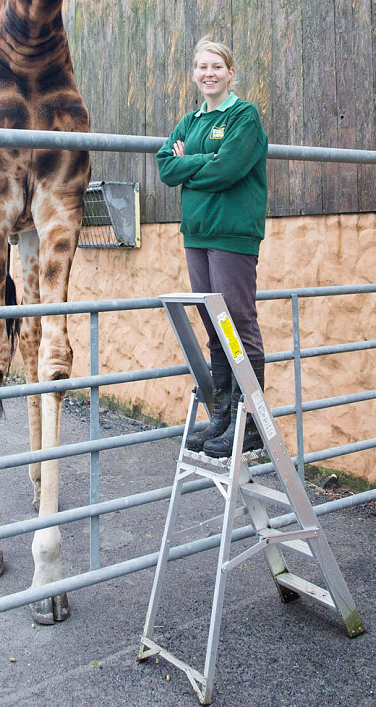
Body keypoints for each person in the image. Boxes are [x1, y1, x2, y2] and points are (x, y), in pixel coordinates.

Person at [156, 37, 268, 457]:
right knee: (212, 321)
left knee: (237, 322)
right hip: (197, 234)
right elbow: (166, 167)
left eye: (216, 66)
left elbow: (230, 169)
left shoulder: (244, 116)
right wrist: (202, 160)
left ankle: (252, 420)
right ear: (194, 73)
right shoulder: (189, 120)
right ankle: (223, 414)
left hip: (232, 234)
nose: (209, 73)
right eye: (202, 66)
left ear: (230, 72)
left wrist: (194, 164)